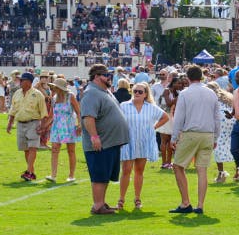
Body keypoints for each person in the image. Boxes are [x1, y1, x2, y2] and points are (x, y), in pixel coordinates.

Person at [169, 65, 221, 215]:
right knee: (202, 170)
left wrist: (174, 136)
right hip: (208, 134)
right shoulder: (211, 93)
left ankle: (186, 202)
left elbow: (179, 117)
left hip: (191, 133)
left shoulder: (185, 94)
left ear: (187, 78)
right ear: (202, 77)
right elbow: (217, 117)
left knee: (178, 166)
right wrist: (215, 136)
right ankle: (200, 205)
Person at [79, 64, 131, 215]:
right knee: (99, 175)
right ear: (96, 77)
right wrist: (94, 137)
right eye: (106, 75)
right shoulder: (91, 93)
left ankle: (101, 202)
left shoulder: (103, 91)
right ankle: (97, 206)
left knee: (105, 175)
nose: (109, 77)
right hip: (100, 143)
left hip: (109, 142)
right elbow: (88, 118)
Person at [117, 82, 169, 210]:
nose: (137, 94)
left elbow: (165, 117)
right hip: (128, 142)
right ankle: (121, 199)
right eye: (135, 91)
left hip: (144, 142)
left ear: (146, 94)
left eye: (140, 92)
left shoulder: (151, 107)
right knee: (126, 170)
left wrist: (154, 127)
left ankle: (137, 198)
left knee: (139, 171)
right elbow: (117, 120)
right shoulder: (124, 106)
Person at [6, 72, 48, 181]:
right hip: (20, 124)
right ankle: (31, 172)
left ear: (29, 82)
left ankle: (29, 171)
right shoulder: (17, 93)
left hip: (33, 123)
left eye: (22, 80)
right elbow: (13, 109)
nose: (20, 82)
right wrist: (10, 123)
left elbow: (44, 113)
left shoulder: (38, 94)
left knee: (32, 147)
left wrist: (42, 127)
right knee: (26, 149)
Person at [46, 78, 80, 183]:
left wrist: (80, 125)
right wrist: (44, 127)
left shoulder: (71, 97)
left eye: (55, 87)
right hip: (57, 126)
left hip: (69, 125)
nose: (53, 88)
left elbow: (79, 112)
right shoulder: (54, 98)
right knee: (55, 149)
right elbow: (52, 115)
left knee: (71, 150)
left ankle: (71, 175)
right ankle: (53, 175)